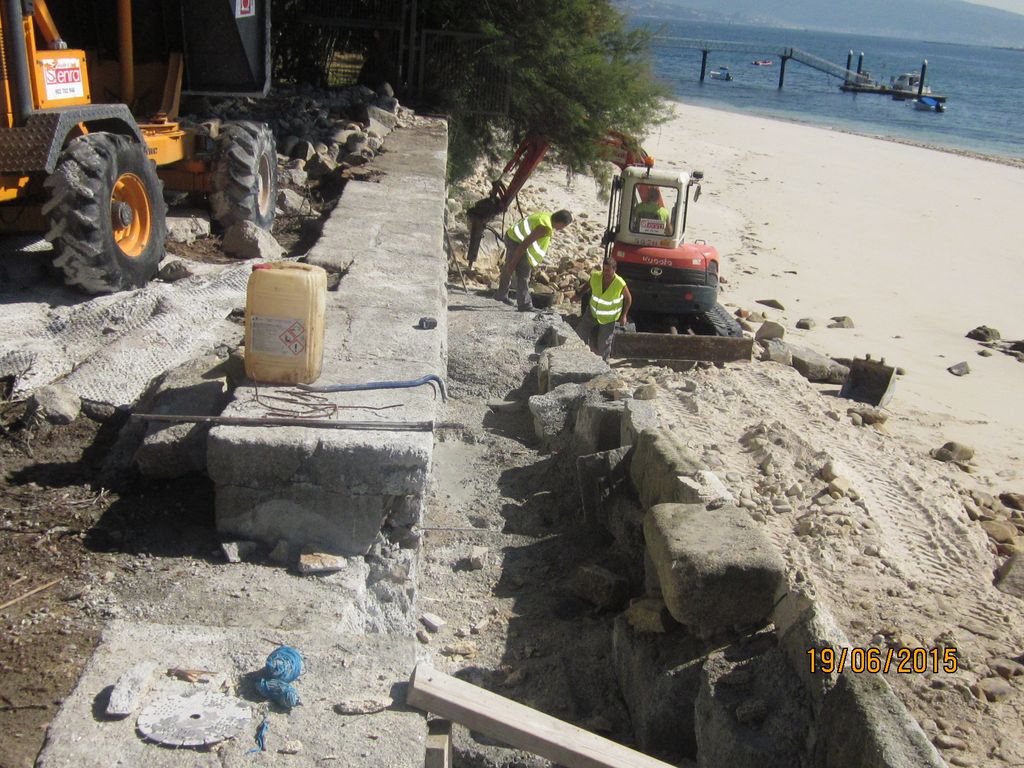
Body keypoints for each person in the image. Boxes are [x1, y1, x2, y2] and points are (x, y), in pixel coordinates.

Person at [494, 209, 573, 311]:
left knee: (511, 266)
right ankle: (524, 305)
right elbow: (524, 244)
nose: (562, 229)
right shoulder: (544, 227)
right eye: (563, 226)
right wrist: (514, 261)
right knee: (523, 274)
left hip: (513, 236)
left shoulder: (547, 217)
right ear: (560, 223)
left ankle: (501, 294)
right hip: (516, 242)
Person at [576, 255, 632, 360]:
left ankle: (604, 364)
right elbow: (588, 285)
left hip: (608, 318)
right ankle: (580, 357)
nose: (605, 272)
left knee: (604, 344)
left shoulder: (620, 283)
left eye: (608, 270)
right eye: (604, 269)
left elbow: (628, 298)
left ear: (614, 270)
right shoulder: (596, 276)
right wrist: (578, 294)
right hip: (592, 313)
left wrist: (624, 315)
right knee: (580, 333)